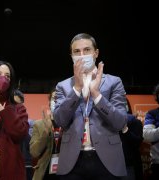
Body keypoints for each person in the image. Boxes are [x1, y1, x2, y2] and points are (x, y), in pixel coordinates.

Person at [53, 32, 128, 180]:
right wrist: (76, 89)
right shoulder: (63, 86)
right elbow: (60, 120)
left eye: (87, 50)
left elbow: (120, 122)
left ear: (96, 53)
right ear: (71, 56)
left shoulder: (114, 82)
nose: (82, 55)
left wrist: (96, 94)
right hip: (73, 162)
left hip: (107, 160)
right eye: (76, 51)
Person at [30, 88, 62, 180]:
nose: (56, 101)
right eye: (53, 98)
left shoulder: (69, 125)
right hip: (44, 174)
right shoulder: (39, 124)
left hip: (64, 173)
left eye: (59, 98)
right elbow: (34, 152)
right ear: (49, 102)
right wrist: (46, 132)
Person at [120, 98, 143, 180]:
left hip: (129, 165)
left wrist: (125, 129)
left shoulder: (135, 122)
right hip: (110, 165)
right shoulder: (106, 123)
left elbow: (137, 143)